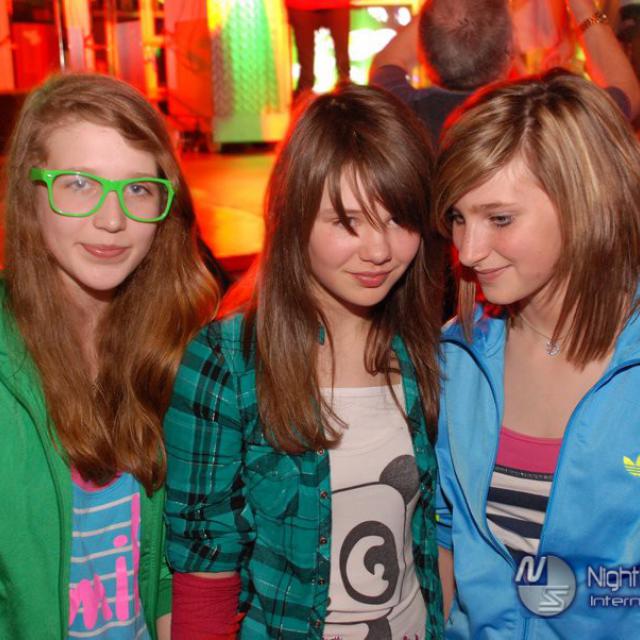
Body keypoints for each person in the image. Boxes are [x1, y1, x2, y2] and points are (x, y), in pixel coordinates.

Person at [164, 83, 445, 639]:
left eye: (398, 219)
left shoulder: (424, 349)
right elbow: (203, 571)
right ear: (294, 217)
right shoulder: (227, 362)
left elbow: (437, 542)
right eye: (347, 221)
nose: (379, 250)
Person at [0, 73, 219, 640]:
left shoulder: (175, 344)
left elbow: (172, 567)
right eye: (79, 184)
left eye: (139, 189)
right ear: (29, 193)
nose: (113, 219)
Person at [433, 70, 640, 637]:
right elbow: (447, 541)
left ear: (584, 202)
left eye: (500, 218)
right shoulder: (459, 358)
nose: (468, 251)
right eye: (458, 218)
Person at [370, 0, 640, 144]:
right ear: (510, 49)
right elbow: (626, 90)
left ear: (422, 51)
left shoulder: (401, 115)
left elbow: (386, 60)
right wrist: (582, 7)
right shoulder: (543, 123)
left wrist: (446, 9)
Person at [286, 0, 350, 98]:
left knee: (343, 61)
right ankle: (304, 94)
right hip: (300, 5)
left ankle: (346, 90)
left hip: (336, 4)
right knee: (305, 63)